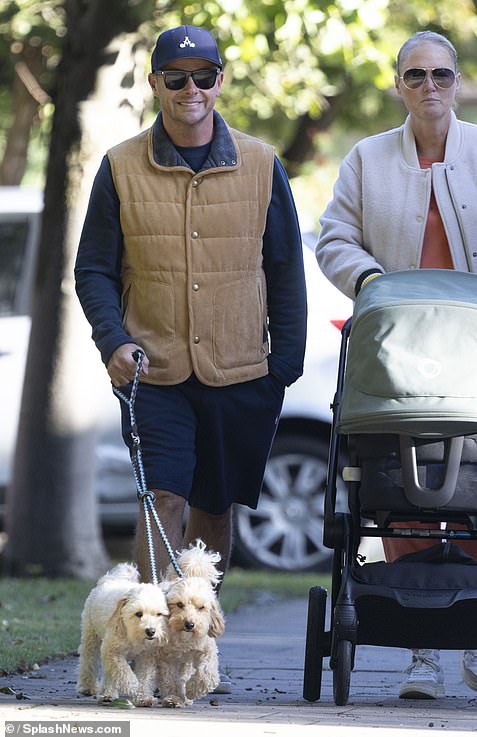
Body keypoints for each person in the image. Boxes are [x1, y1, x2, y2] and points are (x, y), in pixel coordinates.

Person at [315, 31, 477, 699]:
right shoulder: (367, 160)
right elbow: (335, 235)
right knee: (402, 496)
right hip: (399, 358)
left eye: (442, 76)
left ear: (457, 82)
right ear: (399, 85)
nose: (430, 88)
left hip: (475, 356)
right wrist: (369, 280)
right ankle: (422, 652)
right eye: (416, 76)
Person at [75, 22, 307, 667]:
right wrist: (112, 341)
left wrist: (283, 363)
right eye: (176, 79)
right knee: (164, 498)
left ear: (219, 81)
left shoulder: (262, 163)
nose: (190, 89)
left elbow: (285, 265)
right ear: (155, 85)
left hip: (241, 370)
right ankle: (151, 650)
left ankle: (197, 647)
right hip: (154, 369)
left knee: (214, 506)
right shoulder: (120, 165)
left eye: (203, 76)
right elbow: (93, 267)